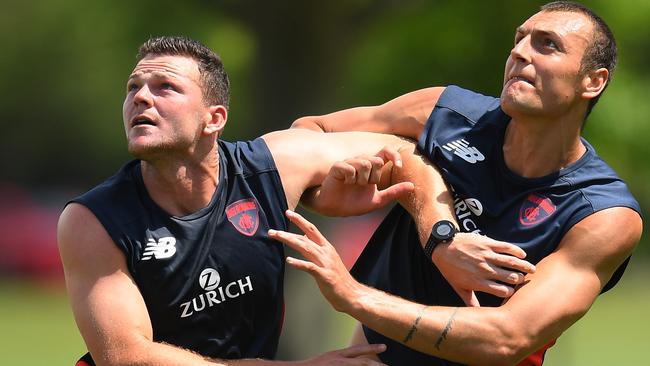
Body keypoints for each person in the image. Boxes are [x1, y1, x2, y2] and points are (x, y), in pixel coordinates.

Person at [283, 1, 643, 365]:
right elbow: (308, 132)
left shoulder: (602, 213)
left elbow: (506, 338)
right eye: (519, 40)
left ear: (592, 81)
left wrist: (354, 296)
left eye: (547, 44)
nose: (519, 52)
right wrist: (326, 192)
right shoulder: (444, 114)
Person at [56, 35, 438, 366]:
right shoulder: (93, 220)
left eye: (164, 87)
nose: (140, 97)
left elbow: (404, 153)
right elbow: (127, 357)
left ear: (214, 119)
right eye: (133, 87)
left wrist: (443, 236)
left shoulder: (274, 166)